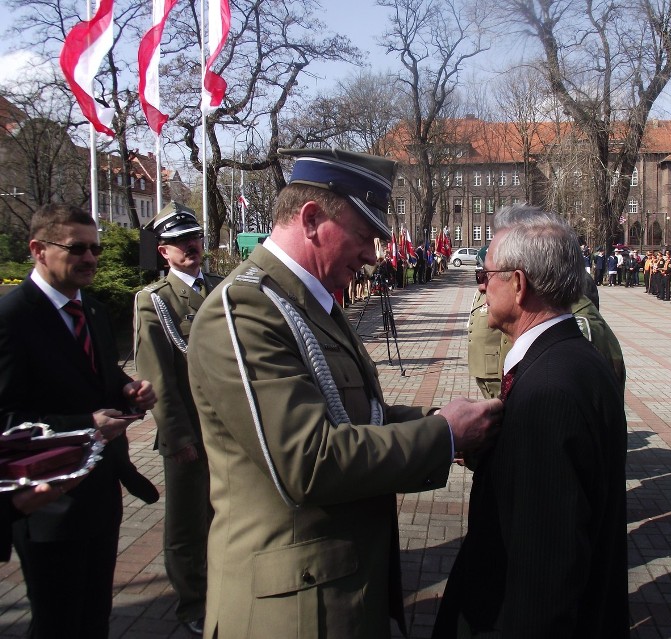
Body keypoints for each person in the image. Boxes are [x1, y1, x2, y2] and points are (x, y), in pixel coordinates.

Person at [186, 148, 501, 639]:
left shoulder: (306, 303)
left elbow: (359, 417)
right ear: (312, 220)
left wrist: (438, 416)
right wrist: (443, 436)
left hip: (335, 589)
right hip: (291, 612)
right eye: (366, 236)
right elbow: (309, 463)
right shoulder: (246, 310)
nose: (374, 255)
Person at [433, 205, 628, 638]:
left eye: (486, 275)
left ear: (518, 284)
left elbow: (547, 571)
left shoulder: (548, 390)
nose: (481, 286)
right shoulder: (571, 358)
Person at [0, 204, 157, 638]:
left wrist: (128, 389)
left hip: (100, 492)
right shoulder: (12, 319)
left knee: (94, 617)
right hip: (47, 504)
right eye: (77, 248)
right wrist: (83, 424)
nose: (90, 258)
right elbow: (6, 420)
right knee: (58, 623)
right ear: (38, 249)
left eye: (95, 249)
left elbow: (101, 376)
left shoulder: (92, 309)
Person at [133, 203, 223, 635]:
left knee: (225, 514)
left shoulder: (222, 289)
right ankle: (193, 603)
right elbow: (159, 378)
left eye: (196, 238)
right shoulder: (155, 302)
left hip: (229, 431)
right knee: (188, 524)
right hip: (189, 432)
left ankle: (223, 589)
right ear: (164, 252)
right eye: (180, 243)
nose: (192, 247)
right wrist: (176, 437)